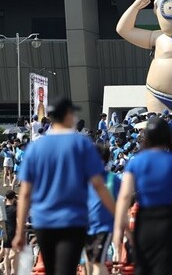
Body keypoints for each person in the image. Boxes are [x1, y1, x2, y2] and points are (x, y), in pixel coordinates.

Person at [13, 97, 116, 275]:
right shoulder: (82, 144)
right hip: (73, 220)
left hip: (43, 220)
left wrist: (20, 230)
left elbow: (25, 193)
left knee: (51, 269)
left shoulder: (36, 147)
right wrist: (116, 214)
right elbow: (99, 185)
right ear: (68, 115)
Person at [113, 116, 172, 275]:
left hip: (145, 218)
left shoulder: (136, 161)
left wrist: (120, 227)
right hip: (169, 216)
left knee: (145, 266)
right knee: (169, 267)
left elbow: (124, 196)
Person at [86, 144, 122, 275]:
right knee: (89, 264)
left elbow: (122, 204)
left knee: (97, 263)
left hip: (104, 227)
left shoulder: (113, 179)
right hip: (85, 227)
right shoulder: (84, 180)